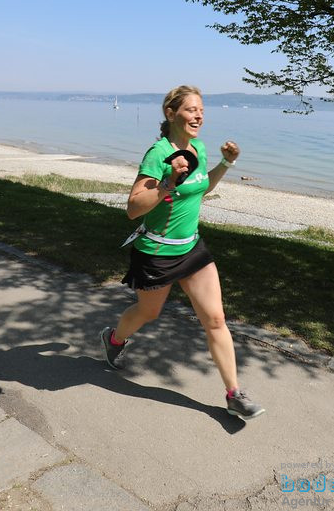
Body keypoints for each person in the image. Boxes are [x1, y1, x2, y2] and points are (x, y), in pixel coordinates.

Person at [100, 85, 265, 421]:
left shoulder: (200, 149)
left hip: (193, 249)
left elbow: (202, 188)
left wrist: (226, 164)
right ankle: (114, 339)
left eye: (201, 109)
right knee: (148, 313)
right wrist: (168, 183)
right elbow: (133, 208)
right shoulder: (157, 153)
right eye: (191, 109)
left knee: (216, 320)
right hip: (157, 254)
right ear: (171, 114)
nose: (199, 115)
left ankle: (234, 394)